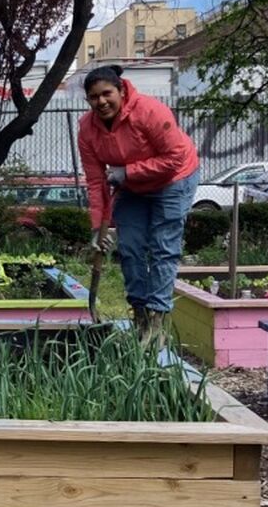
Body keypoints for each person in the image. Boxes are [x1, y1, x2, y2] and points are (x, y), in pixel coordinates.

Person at [77, 64, 200, 342]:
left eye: (107, 93)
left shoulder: (150, 112)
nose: (102, 101)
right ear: (88, 100)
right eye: (94, 97)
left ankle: (157, 321)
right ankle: (140, 315)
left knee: (162, 247)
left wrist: (128, 171)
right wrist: (98, 227)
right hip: (131, 187)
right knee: (130, 248)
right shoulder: (87, 129)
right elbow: (96, 181)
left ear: (121, 90)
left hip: (174, 179)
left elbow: (174, 158)